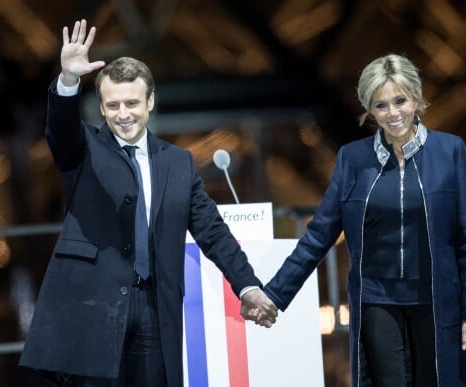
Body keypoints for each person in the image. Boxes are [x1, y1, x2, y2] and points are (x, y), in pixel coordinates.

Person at [19, 19, 277, 387]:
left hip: (156, 308)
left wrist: (248, 286)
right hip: (95, 308)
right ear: (102, 108)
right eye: (113, 105)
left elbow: (212, 231)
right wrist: (69, 82)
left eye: (131, 103)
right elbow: (60, 131)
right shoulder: (83, 149)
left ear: (150, 102)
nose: (123, 114)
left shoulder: (179, 162)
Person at [242, 54, 466, 386]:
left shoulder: (450, 151)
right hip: (377, 301)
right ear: (369, 109)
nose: (393, 113)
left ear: (415, 98)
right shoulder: (352, 159)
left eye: (400, 100)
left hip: (437, 299)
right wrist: (273, 294)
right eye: (381, 105)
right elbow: (318, 235)